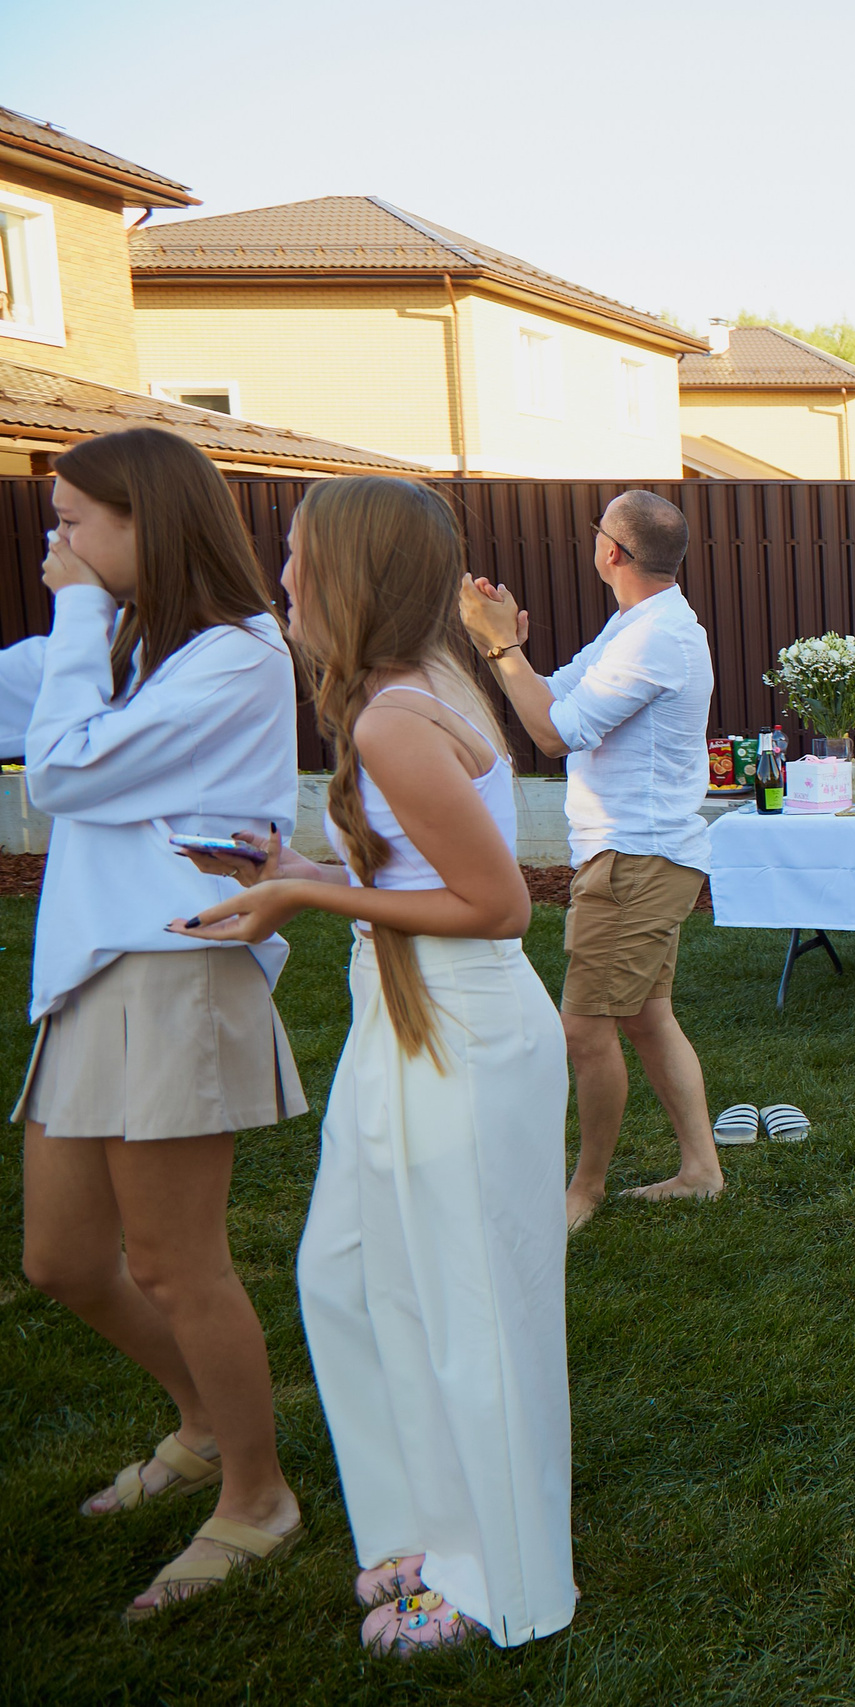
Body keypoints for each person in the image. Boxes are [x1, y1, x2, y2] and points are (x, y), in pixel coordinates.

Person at [175, 476, 573, 1655]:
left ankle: (498, 1579)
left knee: (467, 1307)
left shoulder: (398, 716)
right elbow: (416, 877)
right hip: (405, 1018)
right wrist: (297, 859)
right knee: (348, 1274)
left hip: (462, 1028)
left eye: (298, 556)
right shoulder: (409, 689)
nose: (283, 577)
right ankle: (414, 1526)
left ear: (353, 574)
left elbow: (501, 906)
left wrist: (301, 890)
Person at [11, 428, 307, 1619]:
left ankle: (256, 1496)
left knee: (176, 1264)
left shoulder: (237, 658)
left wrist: (79, 623)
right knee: (64, 1261)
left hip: (176, 973)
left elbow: (66, 773)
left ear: (149, 522)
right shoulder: (137, 641)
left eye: (77, 522)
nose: (55, 548)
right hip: (95, 974)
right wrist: (84, 625)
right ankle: (199, 1424)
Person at [458, 491, 720, 1231]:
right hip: (634, 854)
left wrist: (503, 648)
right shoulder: (637, 625)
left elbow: (552, 734)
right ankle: (700, 1169)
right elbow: (550, 697)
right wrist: (503, 645)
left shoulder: (655, 639)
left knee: (584, 1029)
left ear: (612, 552)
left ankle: (585, 1190)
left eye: (598, 530)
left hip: (633, 859)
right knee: (645, 1015)